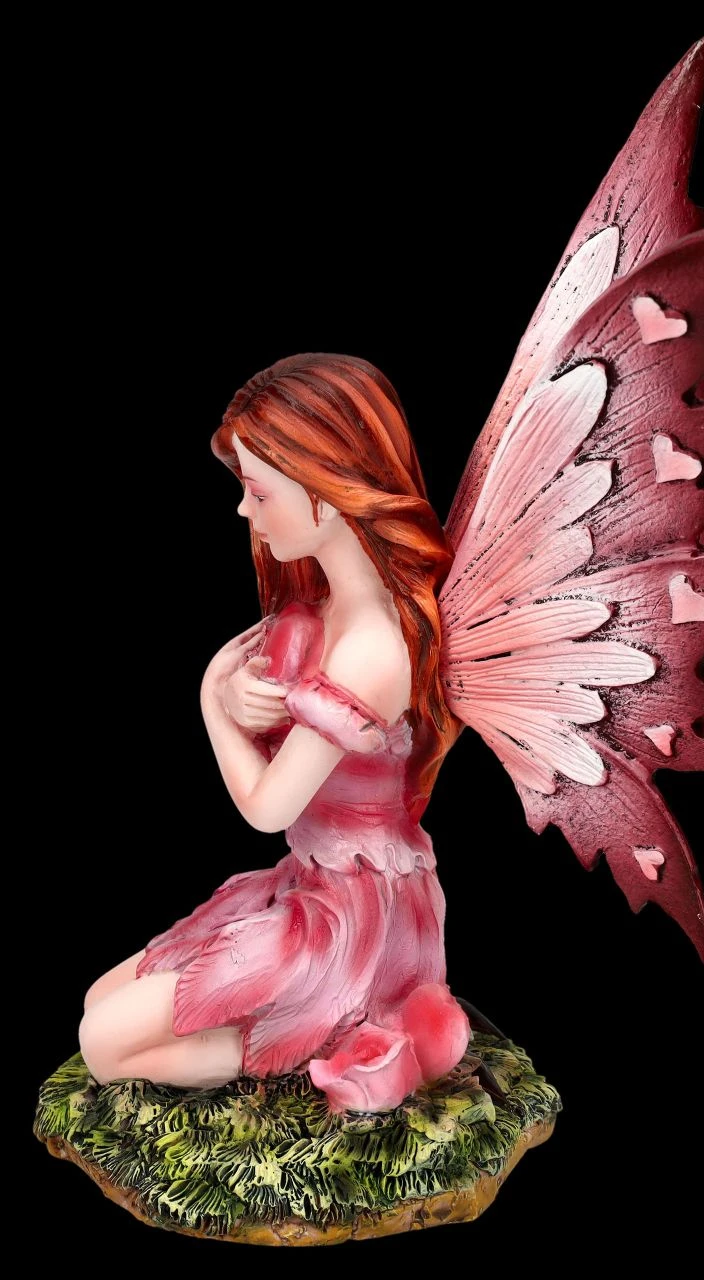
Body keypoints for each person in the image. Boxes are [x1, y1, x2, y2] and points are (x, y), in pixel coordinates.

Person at [77, 353, 470, 1111]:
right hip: (307, 880)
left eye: (259, 492)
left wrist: (211, 702)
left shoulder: (370, 651)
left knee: (103, 1045)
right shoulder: (321, 615)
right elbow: (274, 719)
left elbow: (267, 809)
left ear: (328, 492)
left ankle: (329, 1036)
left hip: (356, 916)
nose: (243, 511)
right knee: (99, 1000)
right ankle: (321, 1029)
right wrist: (240, 694)